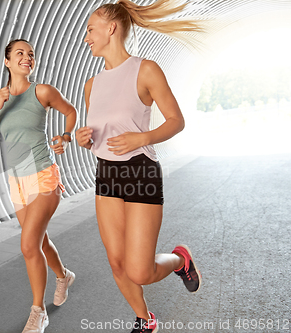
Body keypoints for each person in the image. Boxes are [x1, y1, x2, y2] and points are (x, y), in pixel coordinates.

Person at [76, 1, 203, 332]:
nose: (86, 37)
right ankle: (145, 321)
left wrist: (141, 137)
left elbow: (177, 121)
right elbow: (100, 136)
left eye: (90, 29)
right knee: (117, 263)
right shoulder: (92, 85)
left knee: (140, 271)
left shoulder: (146, 70)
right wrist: (84, 139)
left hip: (140, 172)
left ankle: (180, 260)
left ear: (111, 28)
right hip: (106, 173)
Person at [0, 39, 78, 333]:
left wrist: (66, 136)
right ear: (7, 62)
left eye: (31, 54)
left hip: (44, 175)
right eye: (19, 53)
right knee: (40, 242)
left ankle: (39, 311)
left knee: (27, 245)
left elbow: (70, 112)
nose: (27, 57)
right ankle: (63, 276)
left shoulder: (42, 91)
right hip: (17, 182)